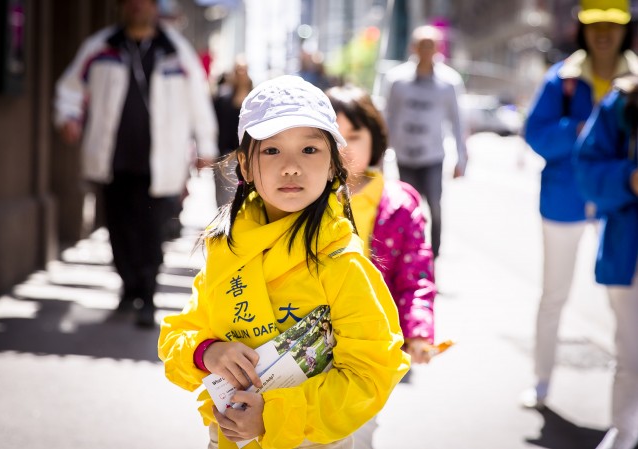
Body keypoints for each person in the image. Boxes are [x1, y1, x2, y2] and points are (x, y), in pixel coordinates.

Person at [158, 75, 410, 449]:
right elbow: (175, 338)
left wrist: (274, 414)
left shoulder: (344, 262)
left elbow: (371, 374)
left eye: (309, 150)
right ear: (245, 165)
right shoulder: (227, 249)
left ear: (333, 166)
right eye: (272, 151)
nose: (291, 167)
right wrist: (207, 352)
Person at [53, 0, 218, 327]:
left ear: (155, 7)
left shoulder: (175, 51)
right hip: (113, 160)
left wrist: (206, 145)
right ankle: (129, 289)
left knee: (151, 231)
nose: (137, 6)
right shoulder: (101, 46)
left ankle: (148, 294)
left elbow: (198, 100)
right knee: (118, 229)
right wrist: (67, 116)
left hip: (159, 163)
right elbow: (71, 86)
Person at [521, 0, 638, 409]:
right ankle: (541, 381)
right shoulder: (563, 80)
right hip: (565, 202)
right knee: (554, 294)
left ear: (625, 28)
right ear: (582, 30)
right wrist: (586, 130)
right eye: (596, 25)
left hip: (620, 207)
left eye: (612, 24)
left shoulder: (635, 78)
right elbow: (536, 134)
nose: (604, 33)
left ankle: (626, 403)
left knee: (624, 302)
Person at [327, 85, 436, 449]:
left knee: (359, 432)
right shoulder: (298, 197)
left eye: (355, 136)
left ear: (377, 139)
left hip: (369, 346)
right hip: (305, 342)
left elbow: (416, 274)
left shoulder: (400, 203)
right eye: (334, 136)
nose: (345, 147)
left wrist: (417, 331)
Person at [575, 74, 638, 449]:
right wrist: (629, 180)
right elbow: (587, 172)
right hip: (628, 252)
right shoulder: (621, 102)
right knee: (631, 354)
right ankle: (624, 432)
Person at [383, 25, 467, 259]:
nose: (426, 50)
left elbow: (457, 122)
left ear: (438, 48)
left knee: (435, 208)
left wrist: (461, 159)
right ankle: (409, 254)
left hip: (432, 156)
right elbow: (388, 117)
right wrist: (380, 155)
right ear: (414, 47)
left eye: (431, 45)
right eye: (422, 45)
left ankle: (433, 256)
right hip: (405, 155)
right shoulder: (396, 80)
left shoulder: (449, 82)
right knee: (408, 208)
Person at [213, 57, 254, 208]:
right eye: (238, 70)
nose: (241, 73)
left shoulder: (255, 99)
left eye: (244, 69)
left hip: (248, 154)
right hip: (227, 154)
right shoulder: (222, 98)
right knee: (225, 200)